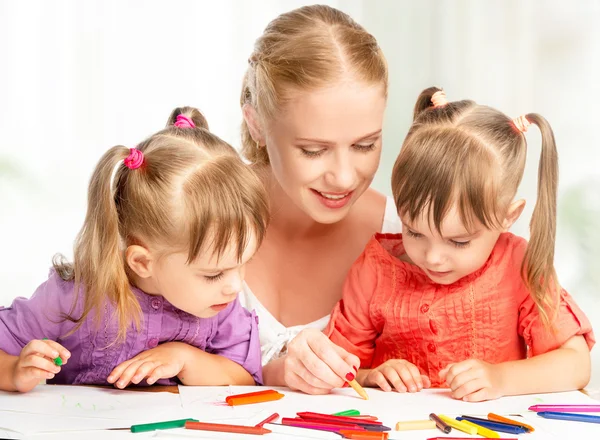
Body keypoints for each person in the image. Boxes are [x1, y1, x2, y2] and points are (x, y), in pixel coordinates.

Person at [326, 87, 595, 402]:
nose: (434, 257)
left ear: (508, 216)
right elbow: (337, 367)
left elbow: (576, 363)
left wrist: (500, 378)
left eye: (459, 241)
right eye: (414, 232)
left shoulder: (519, 265)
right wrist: (370, 375)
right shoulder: (374, 269)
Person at [0, 107, 269, 393]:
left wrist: (185, 359)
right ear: (142, 262)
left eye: (243, 264)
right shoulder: (73, 296)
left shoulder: (218, 306)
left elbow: (244, 377)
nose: (235, 286)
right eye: (214, 274)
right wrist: (15, 371)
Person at [238, 4, 400, 394]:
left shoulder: (409, 239)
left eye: (365, 145)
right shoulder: (191, 216)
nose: (344, 177)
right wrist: (270, 370)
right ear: (257, 123)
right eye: (313, 150)